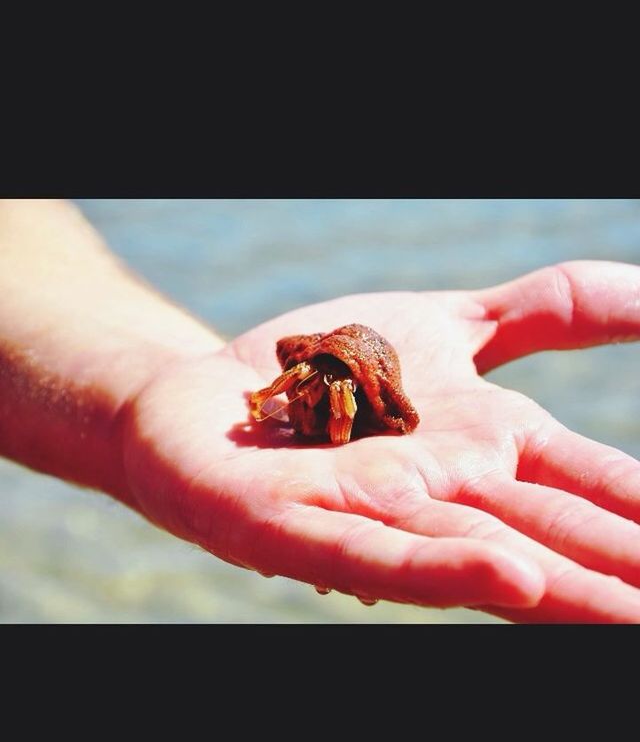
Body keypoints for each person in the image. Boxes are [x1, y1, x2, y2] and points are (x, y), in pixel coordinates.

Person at [0, 198, 639, 624]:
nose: (308, 387)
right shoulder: (307, 372)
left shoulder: (344, 379)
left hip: (349, 362)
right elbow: (288, 382)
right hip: (331, 358)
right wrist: (245, 399)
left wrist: (144, 385)